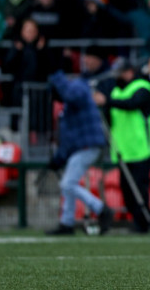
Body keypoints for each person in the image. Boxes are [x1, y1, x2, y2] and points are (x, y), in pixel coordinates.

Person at [93, 63, 150, 233]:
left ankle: (143, 223)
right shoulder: (117, 91)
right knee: (126, 190)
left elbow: (132, 103)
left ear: (130, 71)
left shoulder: (143, 88)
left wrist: (107, 101)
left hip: (141, 150)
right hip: (123, 151)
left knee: (140, 188)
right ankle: (137, 221)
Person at [46, 71, 113, 235]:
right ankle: (66, 223)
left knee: (68, 184)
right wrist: (60, 158)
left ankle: (101, 208)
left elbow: (69, 135)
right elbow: (69, 137)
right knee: (68, 186)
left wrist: (59, 158)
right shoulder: (73, 100)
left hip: (87, 146)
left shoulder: (76, 93)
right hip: (85, 146)